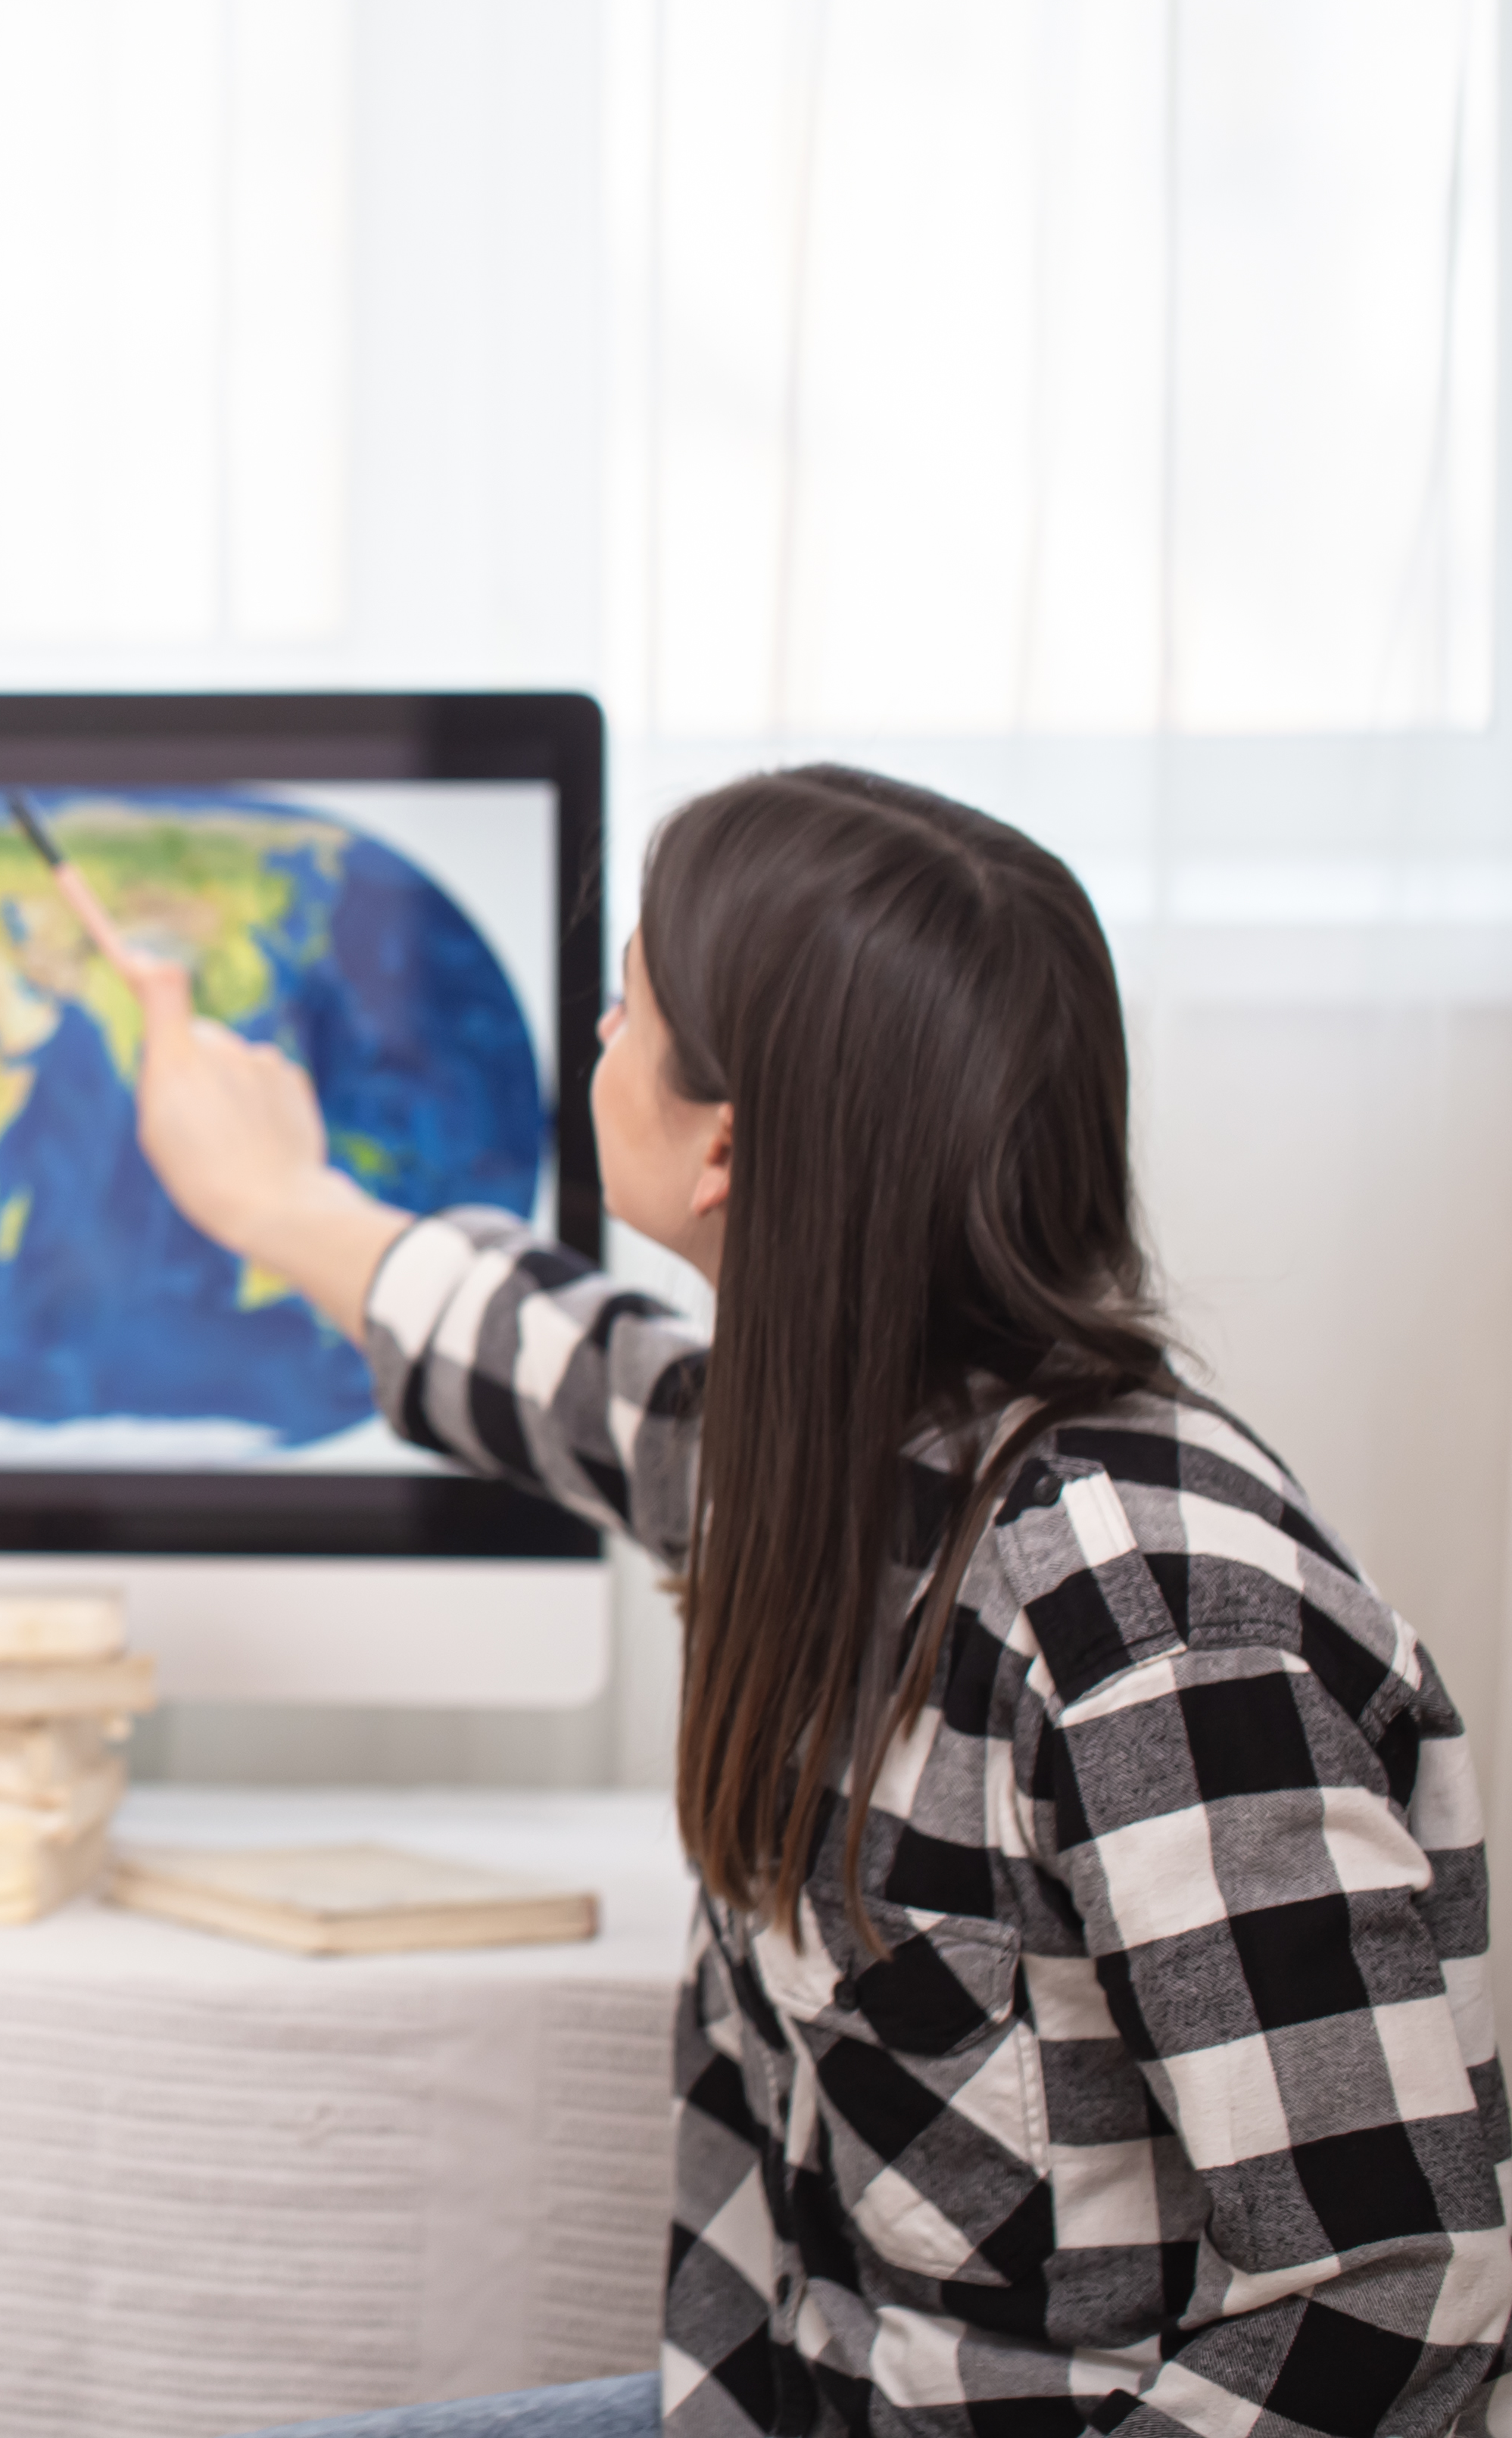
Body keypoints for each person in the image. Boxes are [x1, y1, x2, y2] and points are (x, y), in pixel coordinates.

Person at [125, 767, 1508, 2438]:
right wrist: (279, 1196)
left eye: (627, 1002)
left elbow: (1392, 2294)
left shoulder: (1159, 1628)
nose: (597, 1033)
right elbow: (562, 1368)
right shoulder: (824, 1452)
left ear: (725, 1143)